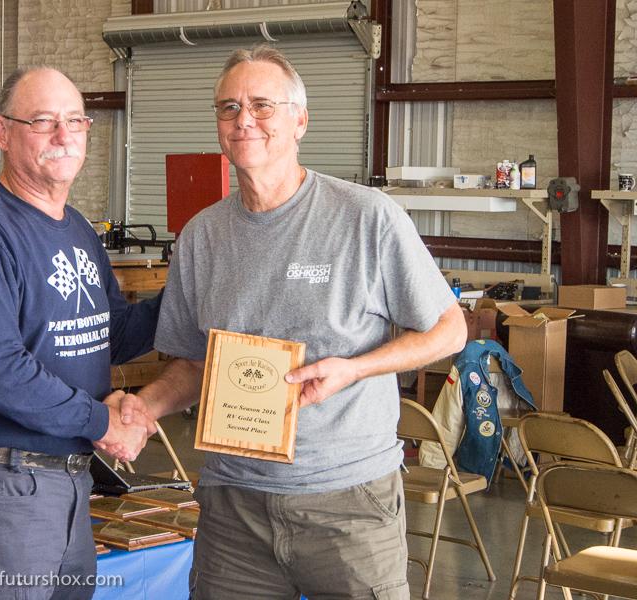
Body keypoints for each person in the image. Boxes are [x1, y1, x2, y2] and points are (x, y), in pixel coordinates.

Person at [118, 45, 468, 599]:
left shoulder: (366, 217)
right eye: (229, 108)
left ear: (300, 120)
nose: (244, 120)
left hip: (347, 503)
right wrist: (145, 408)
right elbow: (193, 363)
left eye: (262, 105)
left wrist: (355, 369)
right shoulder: (201, 236)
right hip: (232, 509)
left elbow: (450, 329)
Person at [0, 66, 159, 600]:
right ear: (2, 132)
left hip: (69, 480)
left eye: (75, 121)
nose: (63, 135)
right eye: (43, 121)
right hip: (1, 486)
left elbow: (111, 335)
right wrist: (102, 421)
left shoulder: (76, 228)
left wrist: (192, 296)